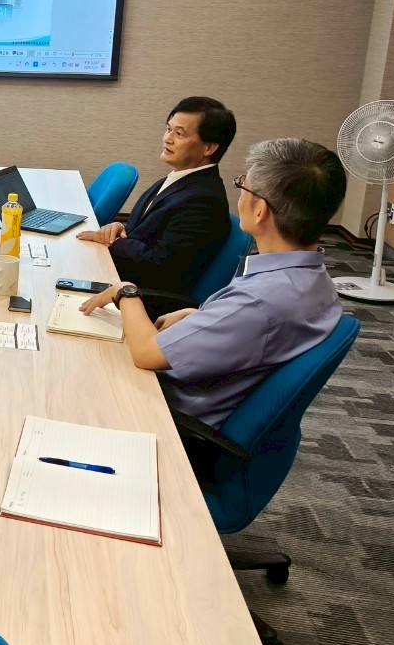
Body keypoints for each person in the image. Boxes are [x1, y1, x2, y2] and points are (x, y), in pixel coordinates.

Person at [79, 138, 347, 430]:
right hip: (200, 382)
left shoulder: (257, 302)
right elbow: (257, 330)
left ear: (260, 211)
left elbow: (146, 353)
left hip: (164, 414)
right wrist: (201, 317)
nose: (240, 193)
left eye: (243, 185)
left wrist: (126, 292)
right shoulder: (313, 278)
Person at [77, 96, 237, 301]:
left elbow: (159, 267)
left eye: (179, 134)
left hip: (137, 297)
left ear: (209, 148)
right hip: (119, 277)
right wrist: (119, 228)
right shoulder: (179, 179)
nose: (168, 138)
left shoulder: (205, 201)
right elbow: (148, 233)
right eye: (168, 129)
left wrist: (114, 242)